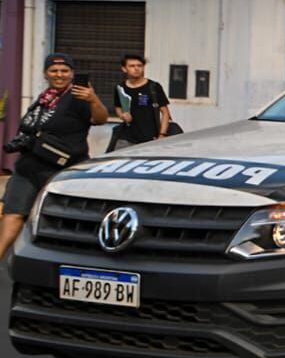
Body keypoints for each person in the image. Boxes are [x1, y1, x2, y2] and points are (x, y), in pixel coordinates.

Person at [0, 54, 109, 259]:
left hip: (61, 172)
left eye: (64, 70)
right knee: (13, 215)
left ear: (72, 73)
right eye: (54, 70)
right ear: (46, 74)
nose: (59, 75)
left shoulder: (79, 97)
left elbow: (100, 118)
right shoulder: (44, 99)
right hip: (28, 168)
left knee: (63, 222)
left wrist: (93, 99)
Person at [112, 53, 170, 150]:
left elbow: (165, 112)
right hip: (126, 137)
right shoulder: (120, 87)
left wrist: (162, 134)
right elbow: (118, 107)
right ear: (124, 69)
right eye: (132, 66)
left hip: (150, 138)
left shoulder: (153, 87)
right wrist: (122, 115)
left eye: (139, 66)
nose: (136, 68)